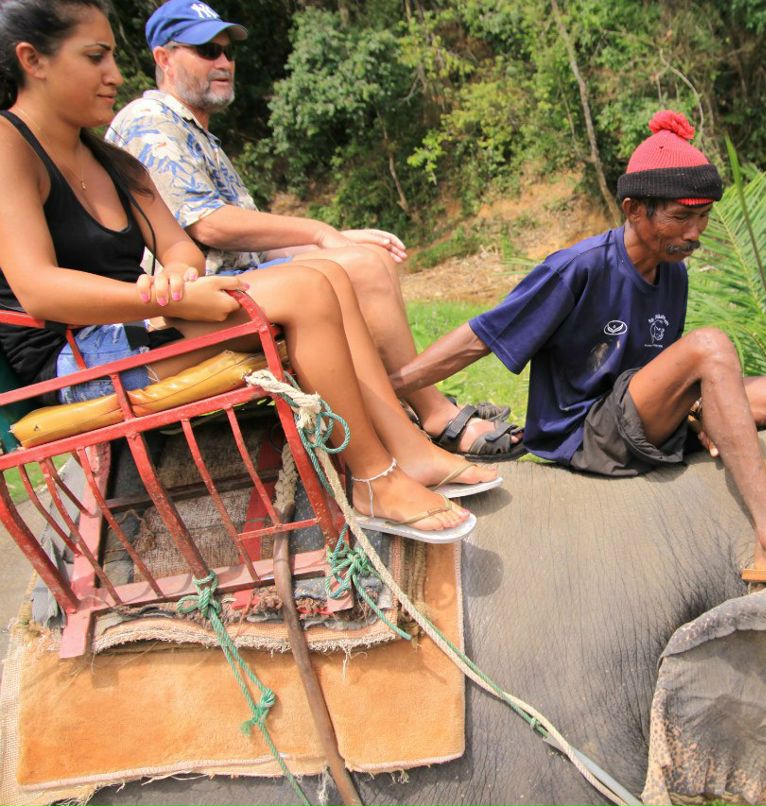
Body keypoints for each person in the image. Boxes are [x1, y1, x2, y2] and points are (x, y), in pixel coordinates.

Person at [0, 0, 501, 543]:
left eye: (113, 57)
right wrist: (169, 301)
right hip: (75, 359)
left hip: (140, 324)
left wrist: (175, 276)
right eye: (95, 57)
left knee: (328, 278)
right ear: (34, 60)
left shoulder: (109, 159)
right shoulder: (9, 145)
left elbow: (179, 247)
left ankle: (408, 450)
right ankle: (374, 478)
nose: (115, 75)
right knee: (307, 289)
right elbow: (39, 290)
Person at [393, 110, 766, 589]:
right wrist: (390, 387)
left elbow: (654, 369)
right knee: (710, 346)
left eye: (704, 218)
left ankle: (710, 434)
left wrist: (695, 406)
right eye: (680, 218)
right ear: (633, 209)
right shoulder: (578, 267)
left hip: (635, 415)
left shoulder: (673, 271)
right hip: (588, 431)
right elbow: (482, 336)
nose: (694, 234)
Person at [105, 0, 522, 461]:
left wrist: (340, 236)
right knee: (360, 268)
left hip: (239, 288)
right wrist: (321, 233)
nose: (223, 62)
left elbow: (248, 248)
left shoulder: (197, 133)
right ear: (163, 58)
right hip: (190, 307)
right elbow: (210, 224)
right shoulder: (149, 123)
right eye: (206, 50)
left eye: (227, 51)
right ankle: (433, 413)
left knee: (371, 256)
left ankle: (409, 404)